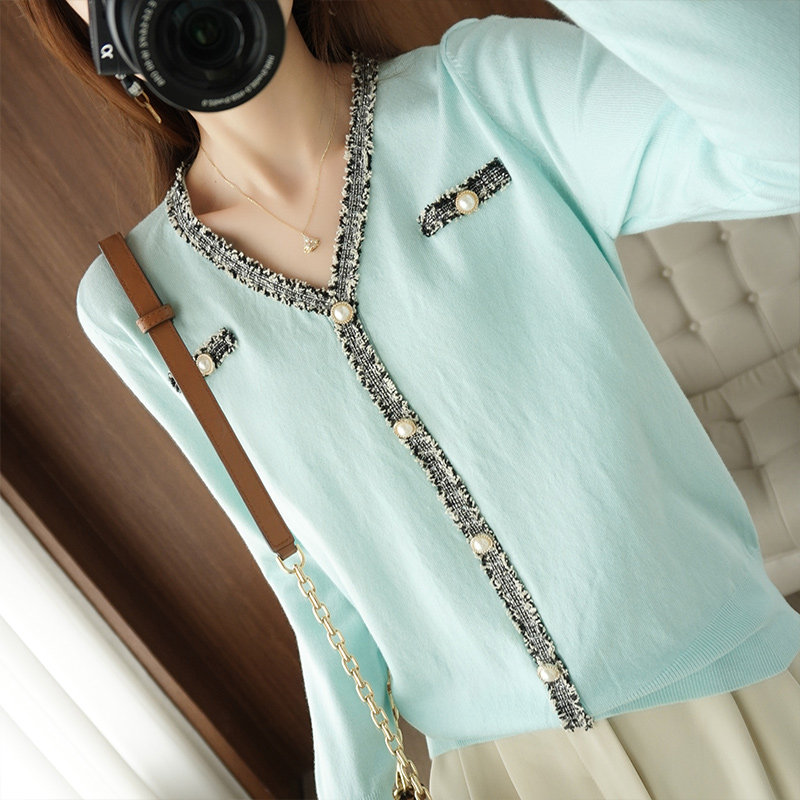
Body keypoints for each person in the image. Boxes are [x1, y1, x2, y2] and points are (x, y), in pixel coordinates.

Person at [19, 0, 800, 798]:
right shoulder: (134, 301)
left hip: (736, 700)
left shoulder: (484, 90)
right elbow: (309, 583)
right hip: (497, 775)